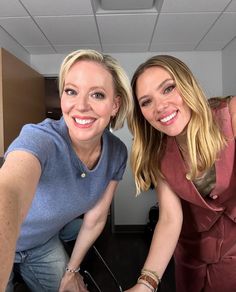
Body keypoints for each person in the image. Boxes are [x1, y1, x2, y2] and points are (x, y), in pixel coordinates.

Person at [0, 49, 132, 292]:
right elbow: (9, 192)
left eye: (97, 94)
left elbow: (96, 219)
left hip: (43, 243)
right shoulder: (40, 138)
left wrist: (72, 271)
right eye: (71, 91)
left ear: (115, 105)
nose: (81, 106)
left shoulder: (117, 153)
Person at [125, 54, 236, 292]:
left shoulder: (231, 115)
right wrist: (146, 283)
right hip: (190, 250)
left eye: (168, 88)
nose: (160, 106)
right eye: (146, 102)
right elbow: (169, 218)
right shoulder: (158, 153)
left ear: (187, 84)